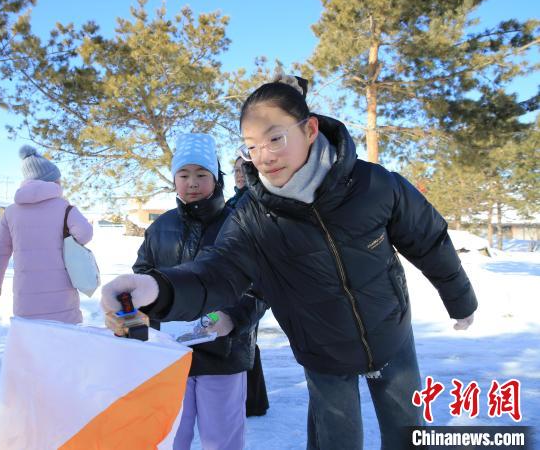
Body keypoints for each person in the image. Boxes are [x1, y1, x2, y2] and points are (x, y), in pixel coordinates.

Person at [101, 76, 478, 450]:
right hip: (321, 349)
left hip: (391, 332)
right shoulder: (251, 216)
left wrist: (460, 300)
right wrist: (155, 288)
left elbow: (430, 240)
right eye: (252, 147)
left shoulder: (373, 185)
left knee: (406, 431)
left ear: (310, 129)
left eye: (275, 139)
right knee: (337, 441)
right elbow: (217, 271)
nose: (264, 155)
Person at [129, 133, 266, 449]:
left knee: (222, 438)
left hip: (223, 355)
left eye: (202, 174)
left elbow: (260, 287)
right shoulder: (159, 227)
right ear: (174, 180)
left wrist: (231, 319)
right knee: (172, 434)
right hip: (169, 355)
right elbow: (141, 278)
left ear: (216, 179)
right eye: (184, 175)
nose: (192, 183)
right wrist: (133, 316)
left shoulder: (240, 225)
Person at [0, 145, 93, 323]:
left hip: (26, 298)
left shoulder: (11, 212)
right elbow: (85, 234)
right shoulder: (64, 207)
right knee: (65, 345)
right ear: (52, 182)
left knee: (33, 346)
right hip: (62, 298)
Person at [226, 155, 270, 418]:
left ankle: (252, 401)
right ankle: (252, 400)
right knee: (245, 339)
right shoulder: (231, 201)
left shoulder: (256, 198)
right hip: (231, 275)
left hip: (252, 278)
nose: (240, 174)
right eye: (236, 170)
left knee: (246, 338)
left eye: (244, 168)